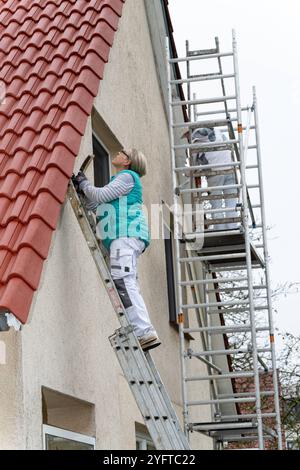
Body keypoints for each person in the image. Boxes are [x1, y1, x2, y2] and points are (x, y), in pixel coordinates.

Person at [74, 149, 161, 351]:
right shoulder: (121, 182)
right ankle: (143, 330)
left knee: (123, 280)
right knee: (126, 281)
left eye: (122, 152)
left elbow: (99, 194)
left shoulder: (128, 177)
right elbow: (99, 206)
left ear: (128, 161)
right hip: (125, 237)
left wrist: (83, 183)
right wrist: (83, 190)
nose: (118, 153)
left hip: (126, 235)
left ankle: (144, 331)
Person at [191, 127, 239, 231]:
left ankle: (219, 228)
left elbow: (193, 167)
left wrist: (194, 171)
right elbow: (229, 148)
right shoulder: (218, 132)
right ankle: (232, 227)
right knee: (231, 201)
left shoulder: (196, 143)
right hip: (230, 169)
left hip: (214, 174)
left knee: (216, 203)